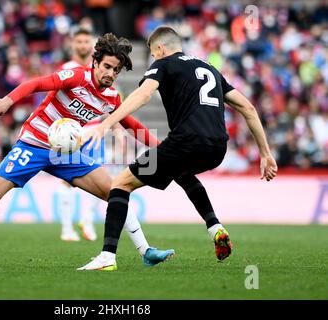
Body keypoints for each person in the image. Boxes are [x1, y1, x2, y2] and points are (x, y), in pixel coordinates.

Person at [0, 33, 175, 268]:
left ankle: (145, 251)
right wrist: (8, 100)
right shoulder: (76, 76)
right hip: (35, 143)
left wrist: (167, 149)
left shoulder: (111, 98)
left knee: (116, 192)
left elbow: (133, 126)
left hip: (65, 152)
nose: (110, 74)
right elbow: (36, 83)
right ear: (95, 62)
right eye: (107, 66)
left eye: (116, 70)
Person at [78, 26, 278, 271]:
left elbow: (143, 94)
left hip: (186, 141)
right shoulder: (211, 69)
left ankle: (107, 256)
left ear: (160, 48)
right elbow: (248, 108)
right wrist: (266, 154)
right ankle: (215, 226)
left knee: (120, 184)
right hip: (216, 148)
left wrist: (106, 124)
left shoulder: (164, 64)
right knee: (181, 171)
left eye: (153, 53)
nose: (153, 58)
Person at [57, 28, 99, 242]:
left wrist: (118, 130)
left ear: (91, 44)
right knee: (67, 179)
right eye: (79, 41)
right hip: (72, 131)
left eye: (86, 41)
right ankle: (66, 229)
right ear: (72, 44)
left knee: (100, 177)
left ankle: (87, 219)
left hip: (96, 130)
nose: (83, 45)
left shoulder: (98, 69)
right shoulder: (66, 69)